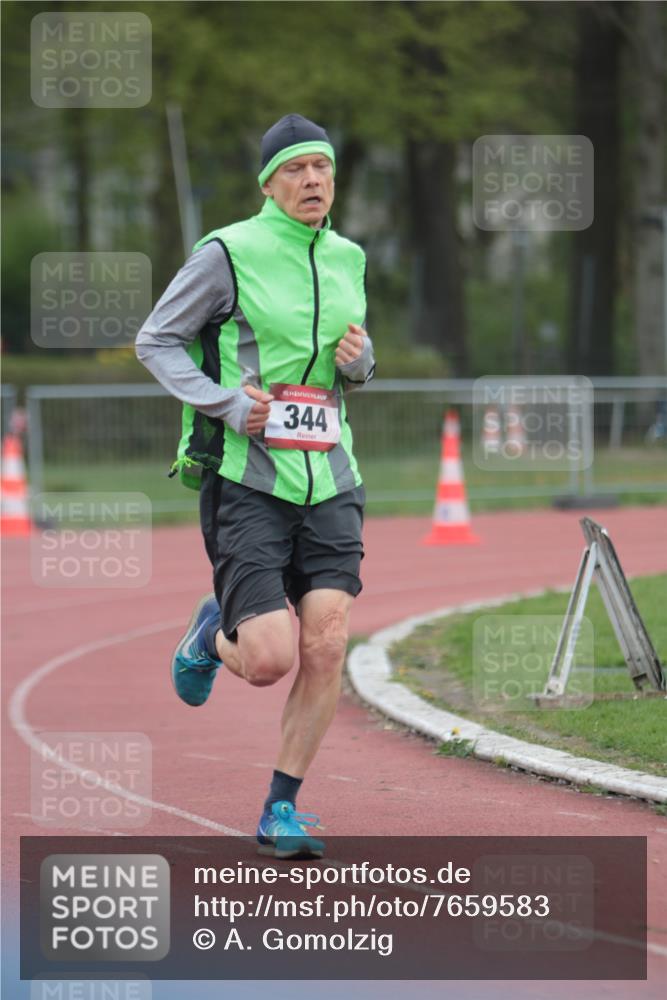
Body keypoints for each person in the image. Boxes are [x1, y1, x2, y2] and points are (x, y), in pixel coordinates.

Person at [135, 113, 375, 859]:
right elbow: (156, 341)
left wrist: (362, 363)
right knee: (270, 660)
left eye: (322, 167)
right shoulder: (227, 253)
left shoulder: (349, 257)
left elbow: (346, 364)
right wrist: (228, 405)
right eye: (295, 169)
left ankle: (281, 809)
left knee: (326, 643)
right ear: (269, 184)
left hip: (330, 475)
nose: (312, 180)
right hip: (249, 478)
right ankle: (212, 632)